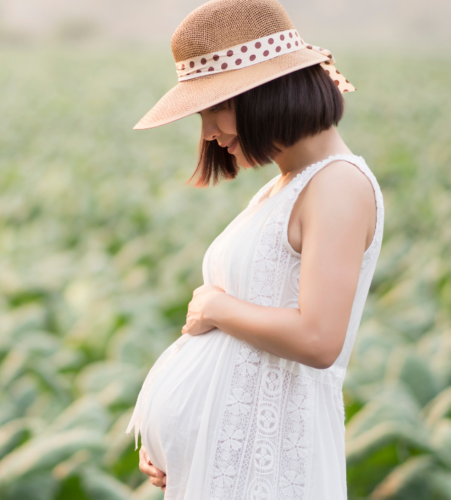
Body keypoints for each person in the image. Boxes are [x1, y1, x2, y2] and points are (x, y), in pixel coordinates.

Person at [124, 0, 384, 499]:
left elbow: (318, 339)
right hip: (225, 465)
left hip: (267, 469)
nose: (208, 132)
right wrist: (179, 437)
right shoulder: (285, 186)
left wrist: (216, 307)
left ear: (266, 92)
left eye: (214, 108)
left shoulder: (338, 185)